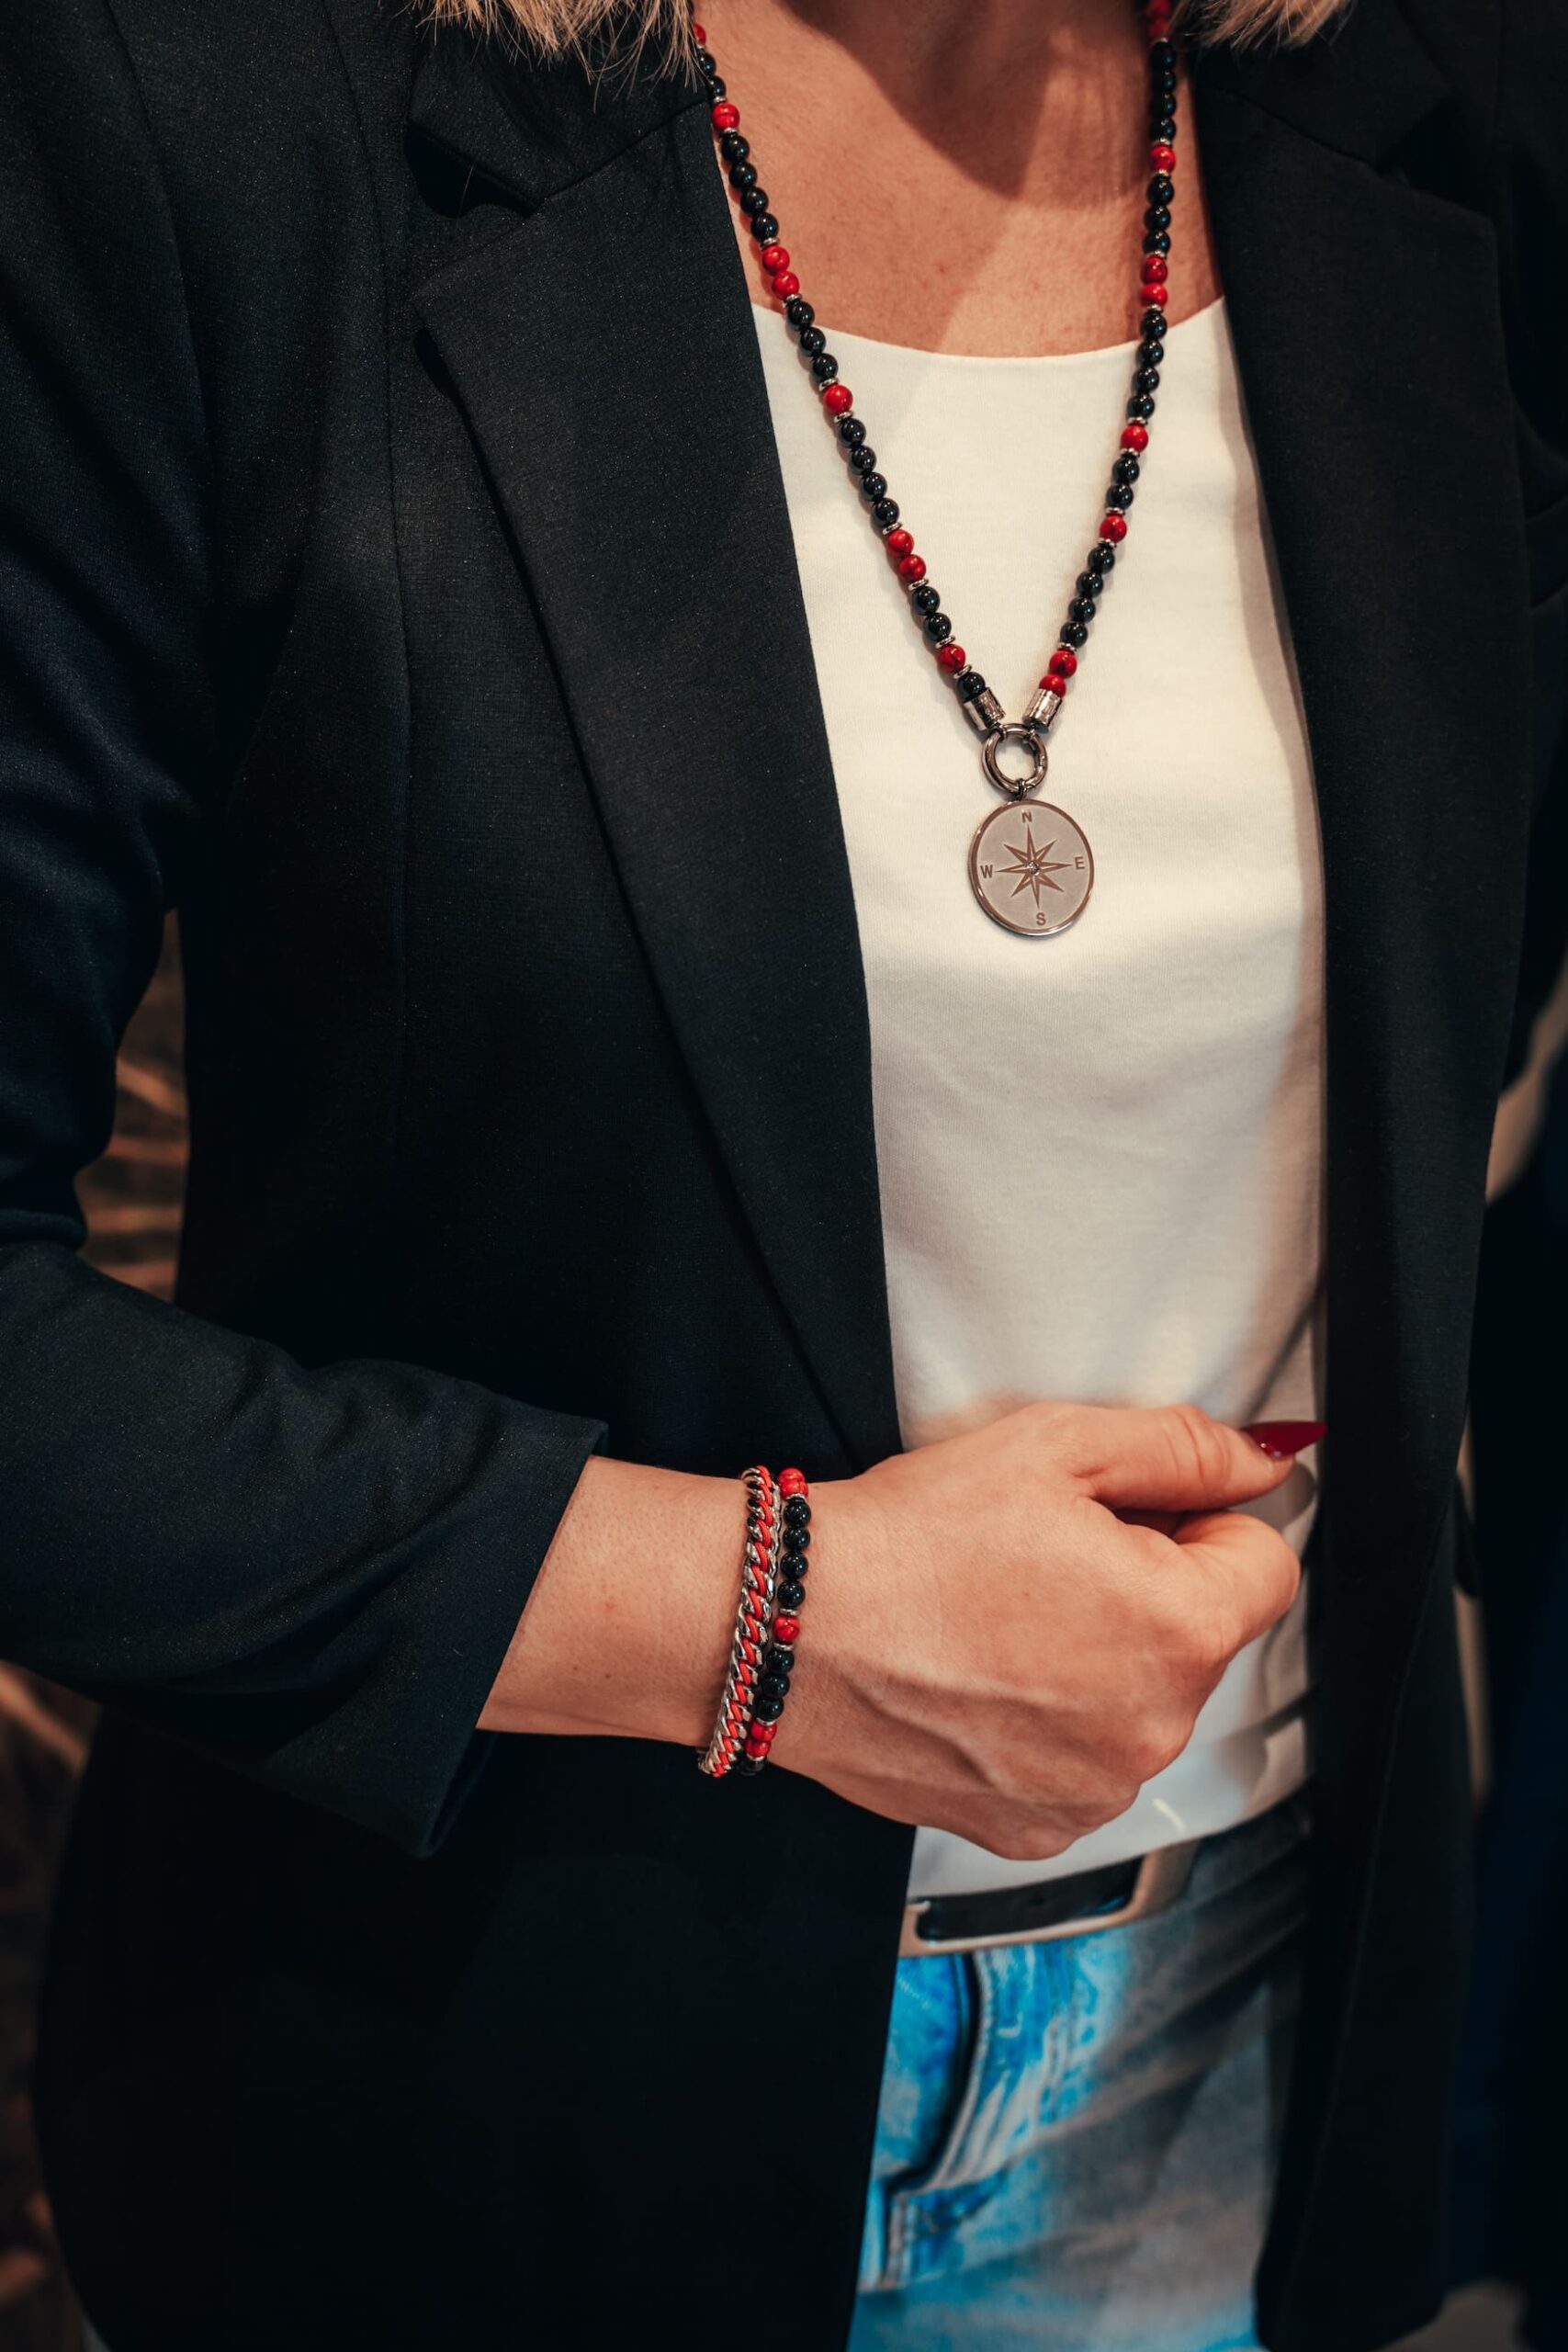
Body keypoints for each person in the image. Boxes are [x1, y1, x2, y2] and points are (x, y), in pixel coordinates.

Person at [0, 0, 1562, 2344]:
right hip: (480, 2083)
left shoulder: (1449, 92)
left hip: (1225, 2069)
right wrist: (759, 1613)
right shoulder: (206, 108)